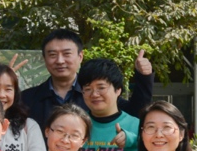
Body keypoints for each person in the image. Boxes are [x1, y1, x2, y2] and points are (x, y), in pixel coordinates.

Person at [21, 28, 155, 129]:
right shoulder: (26, 99)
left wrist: (144, 76)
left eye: (67, 54)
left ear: (80, 56)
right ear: (44, 59)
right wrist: (8, 79)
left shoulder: (96, 94)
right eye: (52, 55)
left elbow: (136, 112)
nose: (60, 61)